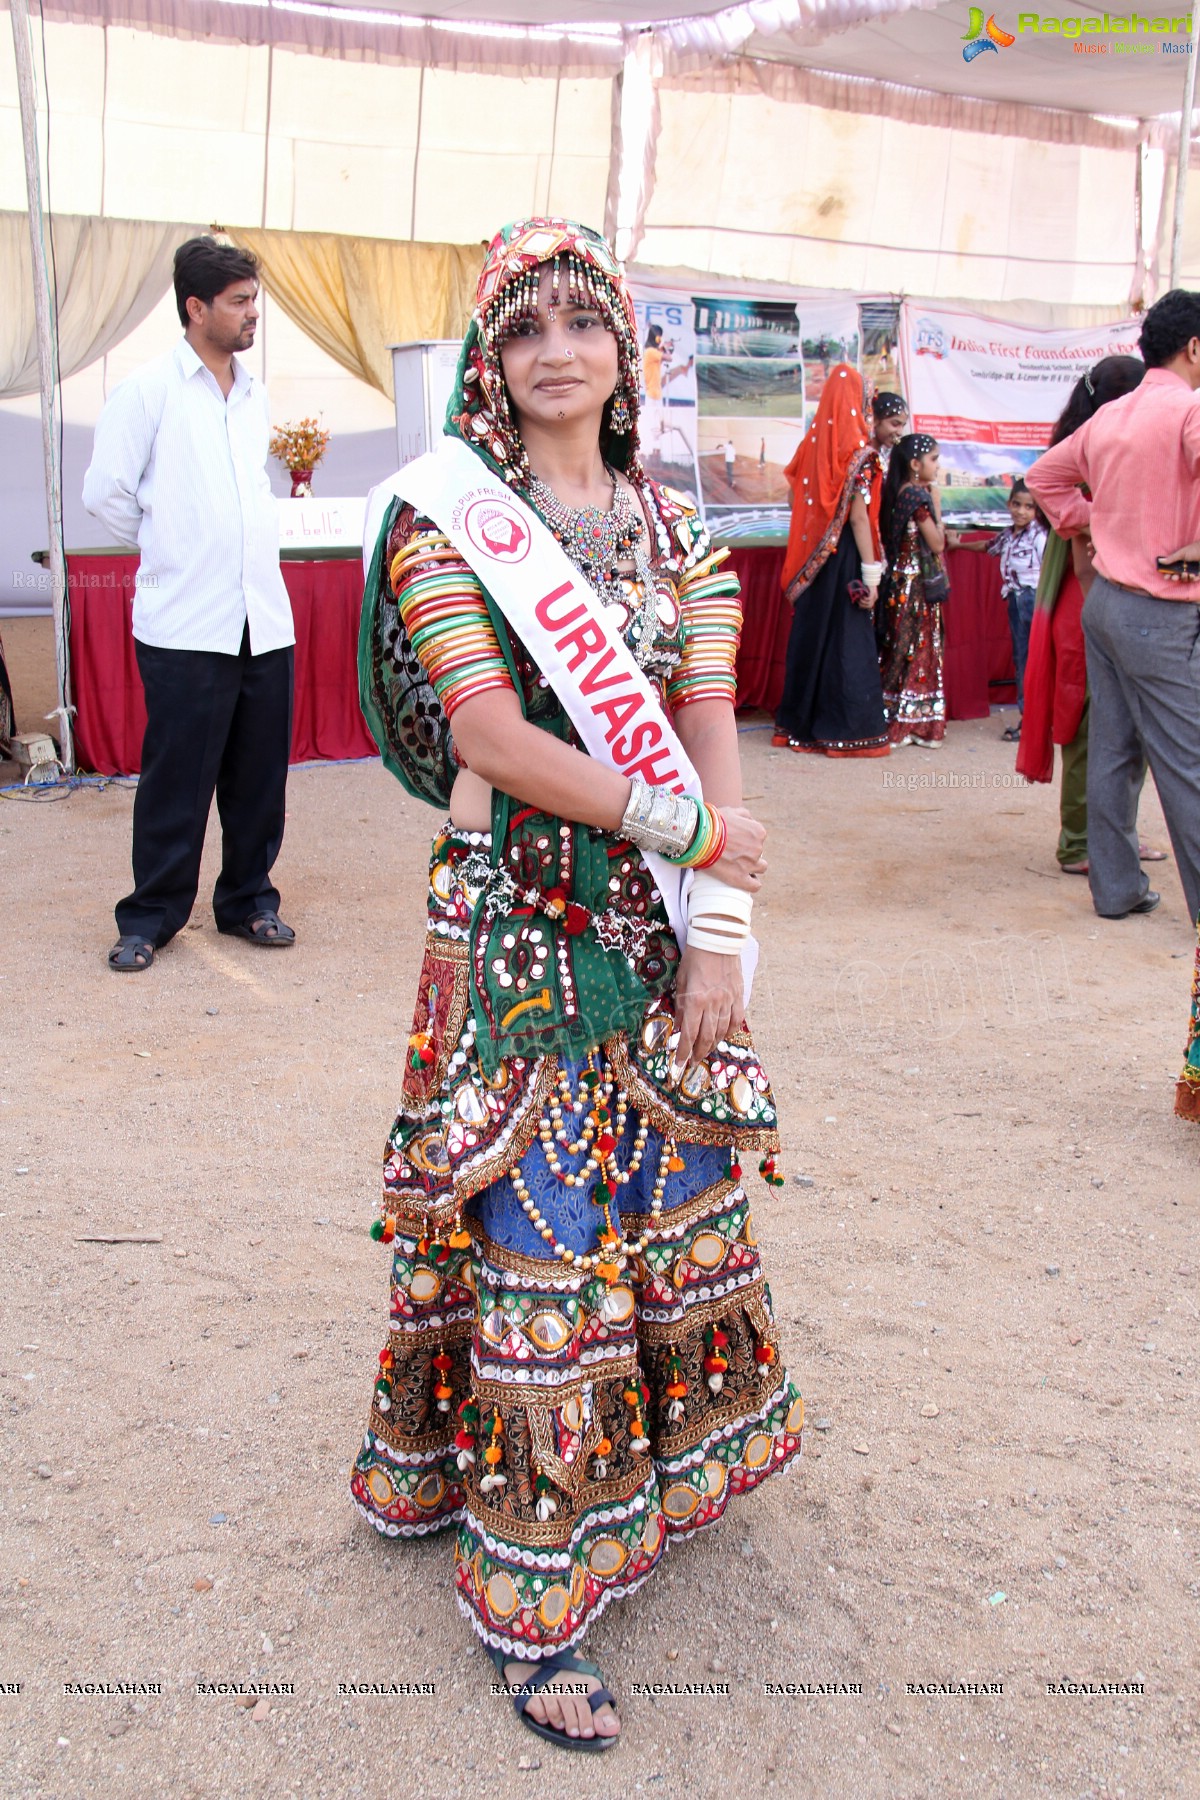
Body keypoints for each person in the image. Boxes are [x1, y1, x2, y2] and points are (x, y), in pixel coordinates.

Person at [350, 219, 803, 1753]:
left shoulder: (677, 531)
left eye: (582, 322)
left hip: (656, 923)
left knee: (663, 1188)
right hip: (524, 936)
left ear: (626, 351)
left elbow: (707, 712)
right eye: (524, 327)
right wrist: (689, 828)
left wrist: (721, 924)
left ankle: (651, 1476)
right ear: (491, 362)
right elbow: (487, 734)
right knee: (542, 1232)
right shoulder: (446, 525)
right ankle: (535, 1589)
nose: (556, 349)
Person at [83, 236, 295, 972]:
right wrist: (170, 543)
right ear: (195, 306)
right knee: (178, 779)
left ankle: (248, 902)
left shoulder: (254, 394)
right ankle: (150, 917)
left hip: (261, 618)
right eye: (238, 302)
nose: (251, 314)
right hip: (185, 622)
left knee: (259, 778)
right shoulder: (147, 391)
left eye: (252, 300)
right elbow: (103, 494)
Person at [1026, 288, 1200, 924]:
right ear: (1194, 348)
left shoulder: (1111, 417)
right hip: (1164, 610)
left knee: (1113, 754)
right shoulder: (1187, 410)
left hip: (1106, 606)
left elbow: (1043, 477)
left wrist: (1092, 520)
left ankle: (1117, 890)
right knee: (1188, 764)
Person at [1015, 358, 1169, 878]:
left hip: (1101, 600)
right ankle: (1079, 841)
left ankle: (1115, 834)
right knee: (1089, 727)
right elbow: (1083, 557)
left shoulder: (1104, 447)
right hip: (1091, 602)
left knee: (1128, 728)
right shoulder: (1091, 457)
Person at [772, 368, 906, 756]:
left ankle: (797, 729)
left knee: (813, 640)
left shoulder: (811, 447)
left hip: (814, 561)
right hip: (846, 558)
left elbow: (792, 500)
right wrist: (872, 574)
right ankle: (846, 733)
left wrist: (818, 532)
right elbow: (860, 517)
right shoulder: (860, 455)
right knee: (848, 641)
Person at [877, 432, 948, 748]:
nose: (937, 465)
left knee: (899, 648)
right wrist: (938, 508)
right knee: (919, 648)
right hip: (916, 585)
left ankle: (894, 713)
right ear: (915, 464)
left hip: (897, 581)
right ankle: (913, 721)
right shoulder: (918, 498)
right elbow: (937, 543)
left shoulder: (897, 493)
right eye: (934, 459)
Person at [983, 479, 1047, 741]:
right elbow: (988, 548)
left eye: (1029, 507)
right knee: (1023, 660)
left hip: (1032, 598)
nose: (1021, 511)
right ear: (1009, 504)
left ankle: (1037, 722)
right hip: (1016, 600)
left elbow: (1049, 569)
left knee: (1034, 660)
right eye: (1017, 504)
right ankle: (1030, 719)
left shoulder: (1039, 535)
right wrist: (956, 544)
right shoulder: (1009, 534)